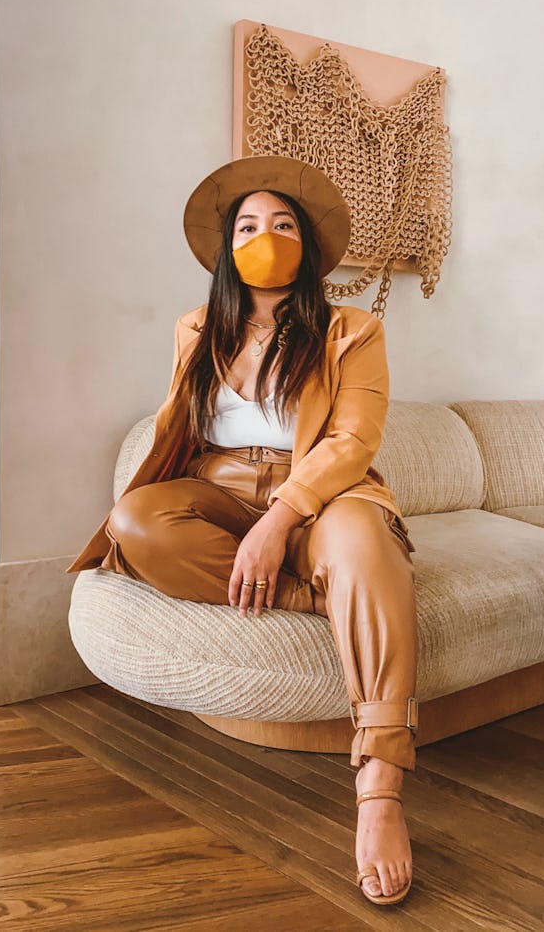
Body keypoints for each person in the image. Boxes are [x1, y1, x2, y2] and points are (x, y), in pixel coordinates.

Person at [66, 155, 420, 906]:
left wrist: (280, 521)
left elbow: (352, 442)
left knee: (359, 541)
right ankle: (311, 599)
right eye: (250, 226)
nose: (267, 236)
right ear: (228, 247)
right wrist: (235, 524)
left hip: (325, 491)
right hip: (220, 488)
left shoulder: (353, 329)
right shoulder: (195, 328)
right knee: (134, 520)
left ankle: (380, 787)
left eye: (284, 225)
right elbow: (182, 434)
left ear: (309, 247)